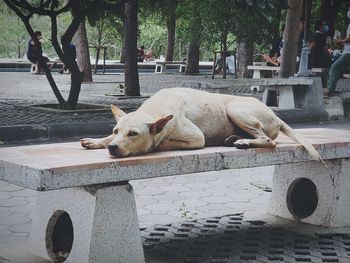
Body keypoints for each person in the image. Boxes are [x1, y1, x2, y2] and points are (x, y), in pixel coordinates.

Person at [326, 7, 350, 97]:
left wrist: (340, 41)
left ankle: (330, 90)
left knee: (334, 68)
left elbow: (349, 39)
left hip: (348, 53)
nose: (348, 11)